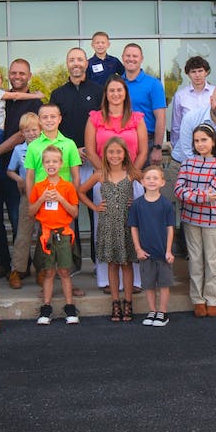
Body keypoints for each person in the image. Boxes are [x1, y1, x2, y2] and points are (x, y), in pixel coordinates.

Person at [175, 123, 216, 318]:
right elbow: (178, 191)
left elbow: (215, 191)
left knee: (212, 260)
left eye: (204, 140)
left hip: (212, 219)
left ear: (213, 141)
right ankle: (198, 299)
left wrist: (194, 194)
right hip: (190, 218)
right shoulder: (187, 163)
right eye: (196, 141)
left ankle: (212, 299)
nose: (200, 144)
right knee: (195, 261)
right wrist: (203, 196)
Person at [84, 136, 137, 321]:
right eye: (111, 152)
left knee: (127, 264)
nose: (115, 155)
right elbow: (80, 191)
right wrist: (95, 207)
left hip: (126, 225)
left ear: (125, 154)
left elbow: (152, 184)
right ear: (105, 154)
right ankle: (115, 302)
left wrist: (137, 205)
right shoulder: (100, 174)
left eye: (118, 152)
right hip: (107, 225)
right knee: (113, 264)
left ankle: (128, 302)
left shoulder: (131, 172)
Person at [30, 146, 81, 325]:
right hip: (46, 234)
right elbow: (31, 211)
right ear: (43, 165)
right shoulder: (38, 187)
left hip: (63, 233)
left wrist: (60, 199)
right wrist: (42, 198)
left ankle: (69, 306)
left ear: (61, 164)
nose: (51, 164)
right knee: (49, 272)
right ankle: (46, 306)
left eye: (54, 161)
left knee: (65, 271)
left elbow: (74, 212)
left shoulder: (67, 186)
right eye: (47, 161)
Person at [129, 166, 175, 327]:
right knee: (148, 284)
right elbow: (134, 228)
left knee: (163, 283)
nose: (151, 181)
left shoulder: (166, 205)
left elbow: (170, 228)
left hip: (162, 252)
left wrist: (169, 250)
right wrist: (138, 249)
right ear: (142, 182)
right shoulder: (137, 205)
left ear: (162, 182)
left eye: (155, 178)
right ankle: (152, 310)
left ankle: (162, 312)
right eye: (148, 178)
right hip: (145, 252)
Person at [4, 113, 42, 290]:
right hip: (27, 195)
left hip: (45, 194)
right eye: (27, 131)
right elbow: (10, 170)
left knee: (44, 234)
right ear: (22, 133)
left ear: (40, 130)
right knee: (23, 234)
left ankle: (42, 269)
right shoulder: (19, 150)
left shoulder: (46, 147)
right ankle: (17, 270)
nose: (32, 133)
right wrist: (19, 180)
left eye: (35, 130)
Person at [0, 61, 41, 149]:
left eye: (22, 73)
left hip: (18, 158)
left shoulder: (35, 103)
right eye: (13, 73)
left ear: (29, 76)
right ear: (8, 74)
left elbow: (22, 134)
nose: (17, 76)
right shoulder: (0, 98)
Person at [119, 43, 168, 158]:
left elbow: (160, 118)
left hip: (147, 142)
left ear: (141, 59)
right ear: (122, 58)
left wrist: (157, 148)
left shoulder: (153, 84)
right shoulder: (116, 83)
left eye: (135, 56)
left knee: (145, 176)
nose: (131, 59)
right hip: (120, 142)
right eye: (128, 56)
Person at [171, 85, 216, 165]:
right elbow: (185, 151)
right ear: (211, 100)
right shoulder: (191, 117)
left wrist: (209, 169)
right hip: (181, 163)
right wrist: (201, 170)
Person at [49, 49, 101, 152]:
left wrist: (89, 149)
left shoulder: (100, 91)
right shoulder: (57, 95)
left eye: (80, 60)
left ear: (86, 64)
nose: (76, 63)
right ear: (67, 64)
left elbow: (105, 124)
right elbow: (52, 128)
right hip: (65, 155)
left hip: (95, 155)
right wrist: (72, 149)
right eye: (71, 60)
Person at [169, 55, 215, 147]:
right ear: (188, 74)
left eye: (200, 71)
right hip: (188, 144)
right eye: (193, 72)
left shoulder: (215, 92)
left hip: (212, 144)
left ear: (206, 72)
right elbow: (176, 126)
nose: (197, 75)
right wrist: (176, 147)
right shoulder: (180, 95)